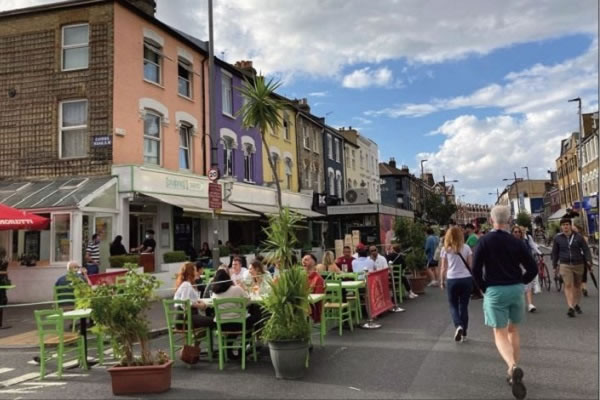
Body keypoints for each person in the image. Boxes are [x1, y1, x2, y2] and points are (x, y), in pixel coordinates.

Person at [472, 205, 537, 400]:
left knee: (499, 332)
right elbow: (532, 268)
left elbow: (475, 269)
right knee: (513, 330)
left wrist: (484, 286)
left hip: (495, 290)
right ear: (509, 220)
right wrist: (521, 282)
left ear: (491, 220)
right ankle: (512, 375)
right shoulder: (517, 242)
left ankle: (512, 366)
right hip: (516, 289)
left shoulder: (484, 242)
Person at [211, 269, 261, 358]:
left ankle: (229, 350)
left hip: (222, 325)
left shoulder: (214, 294)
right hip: (239, 324)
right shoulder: (237, 289)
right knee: (256, 317)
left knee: (232, 323)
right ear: (228, 278)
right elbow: (248, 301)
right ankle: (244, 346)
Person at [551, 217, 592, 317]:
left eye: (567, 224)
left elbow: (586, 249)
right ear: (561, 227)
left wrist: (589, 260)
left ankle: (576, 304)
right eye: (563, 225)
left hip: (578, 264)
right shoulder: (558, 238)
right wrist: (554, 265)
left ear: (570, 226)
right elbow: (555, 252)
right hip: (565, 264)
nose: (565, 226)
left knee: (577, 286)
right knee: (568, 285)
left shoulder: (578, 237)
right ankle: (570, 307)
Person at [439, 227, 474, 342]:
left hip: (452, 278)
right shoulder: (467, 248)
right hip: (466, 279)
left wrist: (441, 281)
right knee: (463, 306)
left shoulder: (445, 250)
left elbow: (443, 267)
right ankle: (464, 333)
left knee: (453, 305)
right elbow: (470, 265)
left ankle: (458, 325)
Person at [173, 262, 214, 329]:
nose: (196, 272)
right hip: (186, 319)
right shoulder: (186, 284)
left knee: (211, 319)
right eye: (195, 270)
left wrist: (199, 302)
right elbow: (185, 303)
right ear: (190, 272)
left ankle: (198, 337)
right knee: (214, 320)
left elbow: (188, 300)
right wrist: (198, 305)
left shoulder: (186, 284)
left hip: (184, 318)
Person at [512, 226, 541, 313]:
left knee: (527, 284)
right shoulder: (509, 243)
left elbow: (531, 248)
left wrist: (538, 253)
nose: (517, 233)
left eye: (518, 232)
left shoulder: (524, 241)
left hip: (524, 265)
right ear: (512, 233)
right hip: (514, 266)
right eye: (515, 232)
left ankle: (530, 304)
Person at [302, 253, 324, 323]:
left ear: (313, 262)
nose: (303, 262)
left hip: (312, 308)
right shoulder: (301, 276)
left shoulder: (318, 279)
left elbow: (317, 298)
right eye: (303, 260)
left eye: (306, 260)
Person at [571, 221, 590, 297]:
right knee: (581, 273)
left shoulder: (582, 237)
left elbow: (586, 248)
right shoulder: (569, 237)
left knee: (583, 273)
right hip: (575, 257)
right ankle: (582, 287)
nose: (573, 230)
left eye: (574, 228)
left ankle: (583, 288)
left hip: (581, 257)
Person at [0, 248, 10, 329]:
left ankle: (0, 323)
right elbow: (4, 272)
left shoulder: (4, 262)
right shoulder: (4, 262)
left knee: (3, 301)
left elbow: (5, 272)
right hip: (2, 282)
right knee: (2, 301)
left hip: (2, 282)